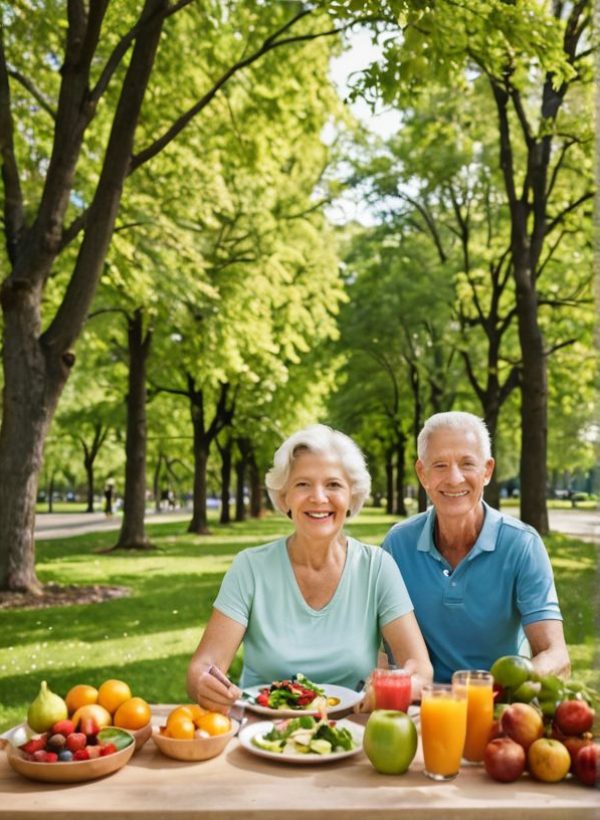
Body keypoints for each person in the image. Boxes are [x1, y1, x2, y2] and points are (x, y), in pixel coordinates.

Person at [187, 424, 432, 712]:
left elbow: (421, 672)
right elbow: (202, 668)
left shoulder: (377, 568)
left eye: (333, 484)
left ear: (352, 496)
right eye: (303, 484)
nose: (318, 497)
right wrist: (204, 684)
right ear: (284, 496)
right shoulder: (250, 568)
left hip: (350, 733)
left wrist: (397, 686)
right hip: (261, 736)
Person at [382, 411, 570, 683]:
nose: (454, 478)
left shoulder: (522, 545)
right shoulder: (397, 545)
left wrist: (505, 686)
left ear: (487, 471)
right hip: (419, 708)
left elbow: (556, 655)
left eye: (467, 463)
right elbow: (381, 648)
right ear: (422, 473)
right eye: (440, 465)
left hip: (497, 708)